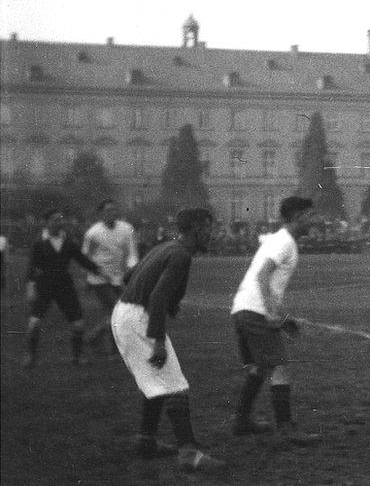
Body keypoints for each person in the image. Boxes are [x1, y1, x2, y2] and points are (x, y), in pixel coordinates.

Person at [111, 208, 224, 471]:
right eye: (208, 227)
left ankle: (146, 441)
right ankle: (189, 453)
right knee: (175, 384)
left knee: (158, 381)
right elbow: (157, 298)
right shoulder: (181, 255)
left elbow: (129, 278)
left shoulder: (166, 247)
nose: (211, 233)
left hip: (125, 313)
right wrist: (158, 340)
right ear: (195, 228)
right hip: (139, 317)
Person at [230, 196, 320, 446]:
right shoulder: (285, 242)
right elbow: (262, 275)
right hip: (256, 311)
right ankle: (286, 428)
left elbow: (268, 282)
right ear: (297, 216)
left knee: (259, 367)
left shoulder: (280, 240)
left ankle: (241, 421)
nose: (314, 221)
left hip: (243, 309)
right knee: (279, 367)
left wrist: (283, 318)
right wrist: (271, 312)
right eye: (310, 215)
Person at [23, 208, 104, 368]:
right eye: (54, 219)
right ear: (46, 222)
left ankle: (77, 357)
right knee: (34, 323)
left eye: (60, 219)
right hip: (44, 287)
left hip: (64, 287)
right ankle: (30, 355)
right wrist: (31, 287)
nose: (58, 222)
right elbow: (32, 267)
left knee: (78, 324)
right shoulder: (39, 243)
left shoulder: (68, 243)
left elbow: (82, 260)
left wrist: (100, 270)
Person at [82, 199, 139, 355]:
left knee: (123, 312)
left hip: (119, 277)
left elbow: (132, 253)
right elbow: (85, 258)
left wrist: (132, 269)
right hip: (99, 279)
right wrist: (92, 275)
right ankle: (107, 344)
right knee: (117, 311)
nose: (112, 213)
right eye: (108, 211)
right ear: (101, 214)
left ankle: (97, 337)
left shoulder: (127, 229)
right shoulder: (93, 233)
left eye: (114, 210)